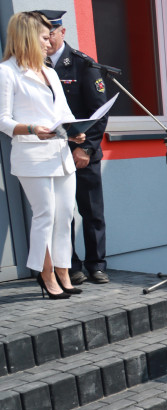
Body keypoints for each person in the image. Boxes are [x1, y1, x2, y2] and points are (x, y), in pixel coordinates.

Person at [0, 11, 86, 299]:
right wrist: (31, 128)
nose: (49, 41)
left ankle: (63, 270)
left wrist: (76, 130)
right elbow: (2, 119)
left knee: (64, 215)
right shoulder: (6, 72)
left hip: (60, 152)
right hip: (32, 155)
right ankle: (45, 274)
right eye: (44, 36)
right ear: (27, 38)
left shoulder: (49, 71)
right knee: (45, 215)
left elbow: (62, 111)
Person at [38, 9, 109, 285]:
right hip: (52, 153)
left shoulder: (83, 65)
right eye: (44, 35)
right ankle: (71, 265)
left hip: (82, 153)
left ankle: (97, 265)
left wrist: (87, 149)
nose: (48, 40)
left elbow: (99, 112)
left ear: (62, 32)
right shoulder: (37, 65)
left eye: (52, 33)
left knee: (91, 211)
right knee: (61, 213)